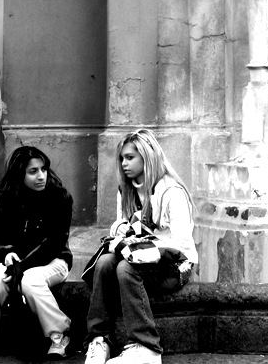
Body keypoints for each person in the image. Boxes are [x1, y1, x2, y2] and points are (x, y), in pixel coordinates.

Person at [84, 129, 197, 364]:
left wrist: (143, 241)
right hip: (139, 259)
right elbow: (122, 231)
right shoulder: (126, 191)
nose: (124, 164)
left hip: (175, 266)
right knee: (105, 263)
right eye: (122, 158)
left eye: (130, 157)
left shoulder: (172, 191)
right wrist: (123, 232)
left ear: (147, 157)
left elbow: (181, 244)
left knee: (126, 268)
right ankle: (99, 339)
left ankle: (147, 347)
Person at [0, 146, 73, 361]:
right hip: (14, 263)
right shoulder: (4, 198)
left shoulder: (59, 197)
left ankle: (59, 335)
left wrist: (21, 267)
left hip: (54, 261)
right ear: (19, 174)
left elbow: (53, 244)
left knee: (31, 281)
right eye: (33, 171)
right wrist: (7, 255)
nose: (41, 176)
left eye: (43, 169)